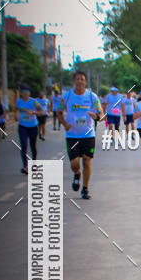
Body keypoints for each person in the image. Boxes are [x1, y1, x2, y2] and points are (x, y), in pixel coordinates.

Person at [57, 70, 100, 199]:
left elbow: (101, 113)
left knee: (87, 161)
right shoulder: (66, 96)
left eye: (82, 79)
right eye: (77, 79)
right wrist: (64, 123)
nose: (80, 81)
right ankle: (77, 174)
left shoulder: (92, 97)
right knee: (74, 163)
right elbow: (58, 111)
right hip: (72, 136)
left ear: (85, 81)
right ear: (74, 81)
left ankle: (85, 189)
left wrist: (96, 116)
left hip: (88, 135)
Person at [15, 86, 42, 174]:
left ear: (29, 93)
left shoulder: (34, 102)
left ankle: (34, 164)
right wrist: (16, 115)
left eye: (27, 92)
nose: (25, 93)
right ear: (21, 93)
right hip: (22, 126)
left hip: (33, 126)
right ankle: (25, 166)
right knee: (23, 145)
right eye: (24, 92)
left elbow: (41, 112)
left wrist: (33, 112)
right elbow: (17, 110)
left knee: (33, 146)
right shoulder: (19, 101)